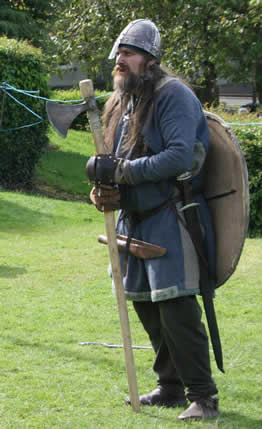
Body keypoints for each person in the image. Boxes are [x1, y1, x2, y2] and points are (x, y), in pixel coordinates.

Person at [86, 19, 220, 420]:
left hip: (172, 217)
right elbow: (114, 161)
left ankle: (204, 396)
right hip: (133, 219)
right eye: (118, 56)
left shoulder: (173, 96)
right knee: (145, 304)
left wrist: (123, 173)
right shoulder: (123, 101)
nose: (120, 62)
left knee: (176, 308)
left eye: (128, 54)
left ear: (150, 59)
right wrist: (103, 189)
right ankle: (170, 387)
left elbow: (179, 156)